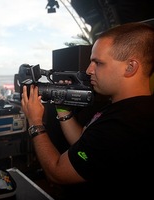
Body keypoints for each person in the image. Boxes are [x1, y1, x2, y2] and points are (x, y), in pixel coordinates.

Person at [21, 22, 154, 199]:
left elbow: (57, 173)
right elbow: (85, 142)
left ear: (130, 67)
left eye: (98, 63)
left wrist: (35, 122)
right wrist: (63, 110)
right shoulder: (126, 109)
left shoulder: (125, 125)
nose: (88, 70)